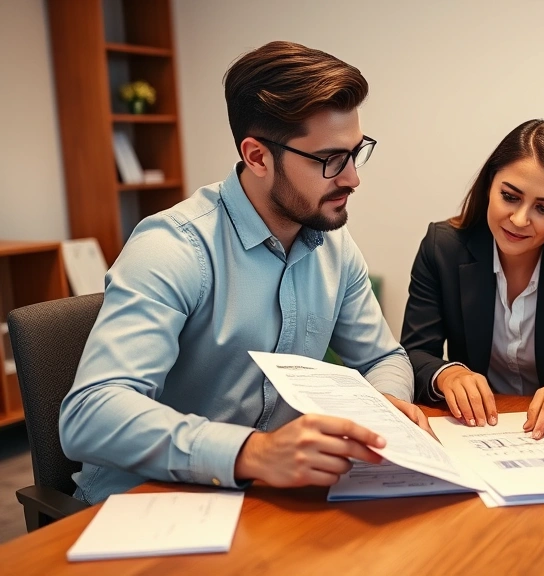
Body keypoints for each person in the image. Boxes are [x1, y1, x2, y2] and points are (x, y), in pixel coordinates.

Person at [60, 41, 427, 504]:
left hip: (261, 500)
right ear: (257, 157)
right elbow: (91, 415)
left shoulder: (333, 244)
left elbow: (382, 359)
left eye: (357, 152)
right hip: (147, 505)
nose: (353, 178)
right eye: (331, 160)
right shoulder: (172, 248)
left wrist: (384, 406)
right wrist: (252, 452)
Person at [401, 119, 544, 440]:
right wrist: (448, 374)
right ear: (489, 186)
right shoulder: (443, 247)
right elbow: (413, 352)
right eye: (509, 197)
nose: (520, 219)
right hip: (481, 430)